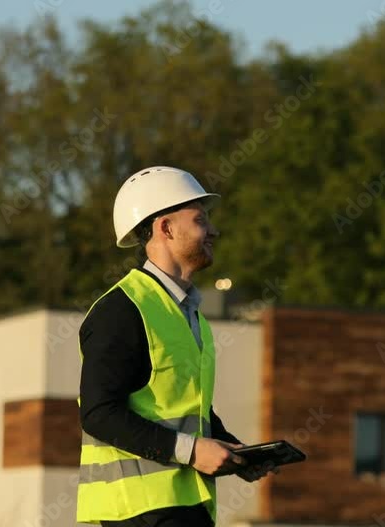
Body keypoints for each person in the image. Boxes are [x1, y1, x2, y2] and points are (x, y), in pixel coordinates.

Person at [76, 166, 272, 526]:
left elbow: (189, 410)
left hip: (184, 507)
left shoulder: (190, 314)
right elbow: (99, 413)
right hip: (136, 513)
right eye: (200, 220)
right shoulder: (120, 309)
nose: (213, 231)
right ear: (165, 228)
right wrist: (193, 451)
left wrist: (233, 449)